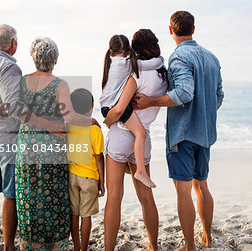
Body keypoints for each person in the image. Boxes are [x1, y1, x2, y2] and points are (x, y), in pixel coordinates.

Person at [133, 11, 224, 250]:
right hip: (204, 133)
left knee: (183, 192)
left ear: (171, 31)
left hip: (182, 135)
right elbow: (219, 96)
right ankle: (207, 237)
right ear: (193, 29)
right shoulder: (212, 58)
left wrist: (150, 102)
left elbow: (184, 93)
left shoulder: (178, 58)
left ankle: (190, 246)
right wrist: (204, 112)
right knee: (202, 185)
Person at [0, 25, 66, 251]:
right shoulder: (9, 68)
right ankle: (8, 246)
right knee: (10, 194)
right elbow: (14, 107)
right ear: (12, 43)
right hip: (7, 140)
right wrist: (49, 125)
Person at [15, 37, 96, 250]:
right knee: (54, 196)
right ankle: (55, 245)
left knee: (28, 193)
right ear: (56, 59)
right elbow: (70, 117)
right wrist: (92, 121)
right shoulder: (60, 84)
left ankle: (30, 243)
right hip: (52, 149)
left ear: (33, 57)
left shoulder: (21, 82)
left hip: (27, 147)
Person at [103, 29, 168, 251]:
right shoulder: (162, 76)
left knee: (114, 198)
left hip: (121, 135)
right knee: (146, 197)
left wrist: (108, 120)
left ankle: (109, 249)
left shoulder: (135, 75)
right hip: (144, 138)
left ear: (136, 50)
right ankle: (152, 245)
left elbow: (119, 109)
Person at [100, 35, 163, 189]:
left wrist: (109, 120)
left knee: (114, 196)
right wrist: (161, 60)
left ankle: (130, 167)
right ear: (129, 50)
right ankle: (140, 170)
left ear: (110, 52)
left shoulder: (112, 64)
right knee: (141, 132)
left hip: (107, 107)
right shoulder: (127, 64)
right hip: (116, 108)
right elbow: (150, 64)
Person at [67, 88, 105, 251]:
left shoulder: (68, 126)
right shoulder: (94, 129)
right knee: (86, 215)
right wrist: (102, 182)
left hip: (72, 176)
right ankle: (83, 248)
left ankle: (75, 246)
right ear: (92, 105)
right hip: (89, 177)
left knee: (74, 214)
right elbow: (98, 157)